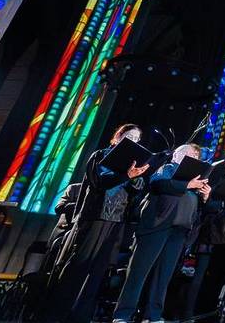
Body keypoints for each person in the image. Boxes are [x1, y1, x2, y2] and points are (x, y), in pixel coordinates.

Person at [48, 124, 149, 323]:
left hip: (116, 220)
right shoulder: (101, 155)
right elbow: (99, 181)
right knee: (77, 268)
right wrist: (126, 175)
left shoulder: (133, 165)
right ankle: (55, 316)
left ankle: (81, 317)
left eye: (137, 139)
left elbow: (138, 188)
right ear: (118, 136)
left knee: (97, 274)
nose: (133, 141)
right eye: (129, 136)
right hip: (95, 217)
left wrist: (137, 176)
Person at [112, 144, 210, 323]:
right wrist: (187, 184)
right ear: (176, 155)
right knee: (138, 273)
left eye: (195, 155)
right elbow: (158, 184)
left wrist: (205, 197)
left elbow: (199, 208)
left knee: (163, 277)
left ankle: (153, 315)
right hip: (157, 226)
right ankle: (123, 315)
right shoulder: (167, 168)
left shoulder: (197, 179)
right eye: (187, 153)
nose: (192, 156)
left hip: (179, 231)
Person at [182, 155, 225, 319]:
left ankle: (209, 312)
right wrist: (224, 203)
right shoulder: (217, 178)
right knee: (200, 274)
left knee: (218, 277)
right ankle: (189, 311)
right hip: (212, 232)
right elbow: (206, 204)